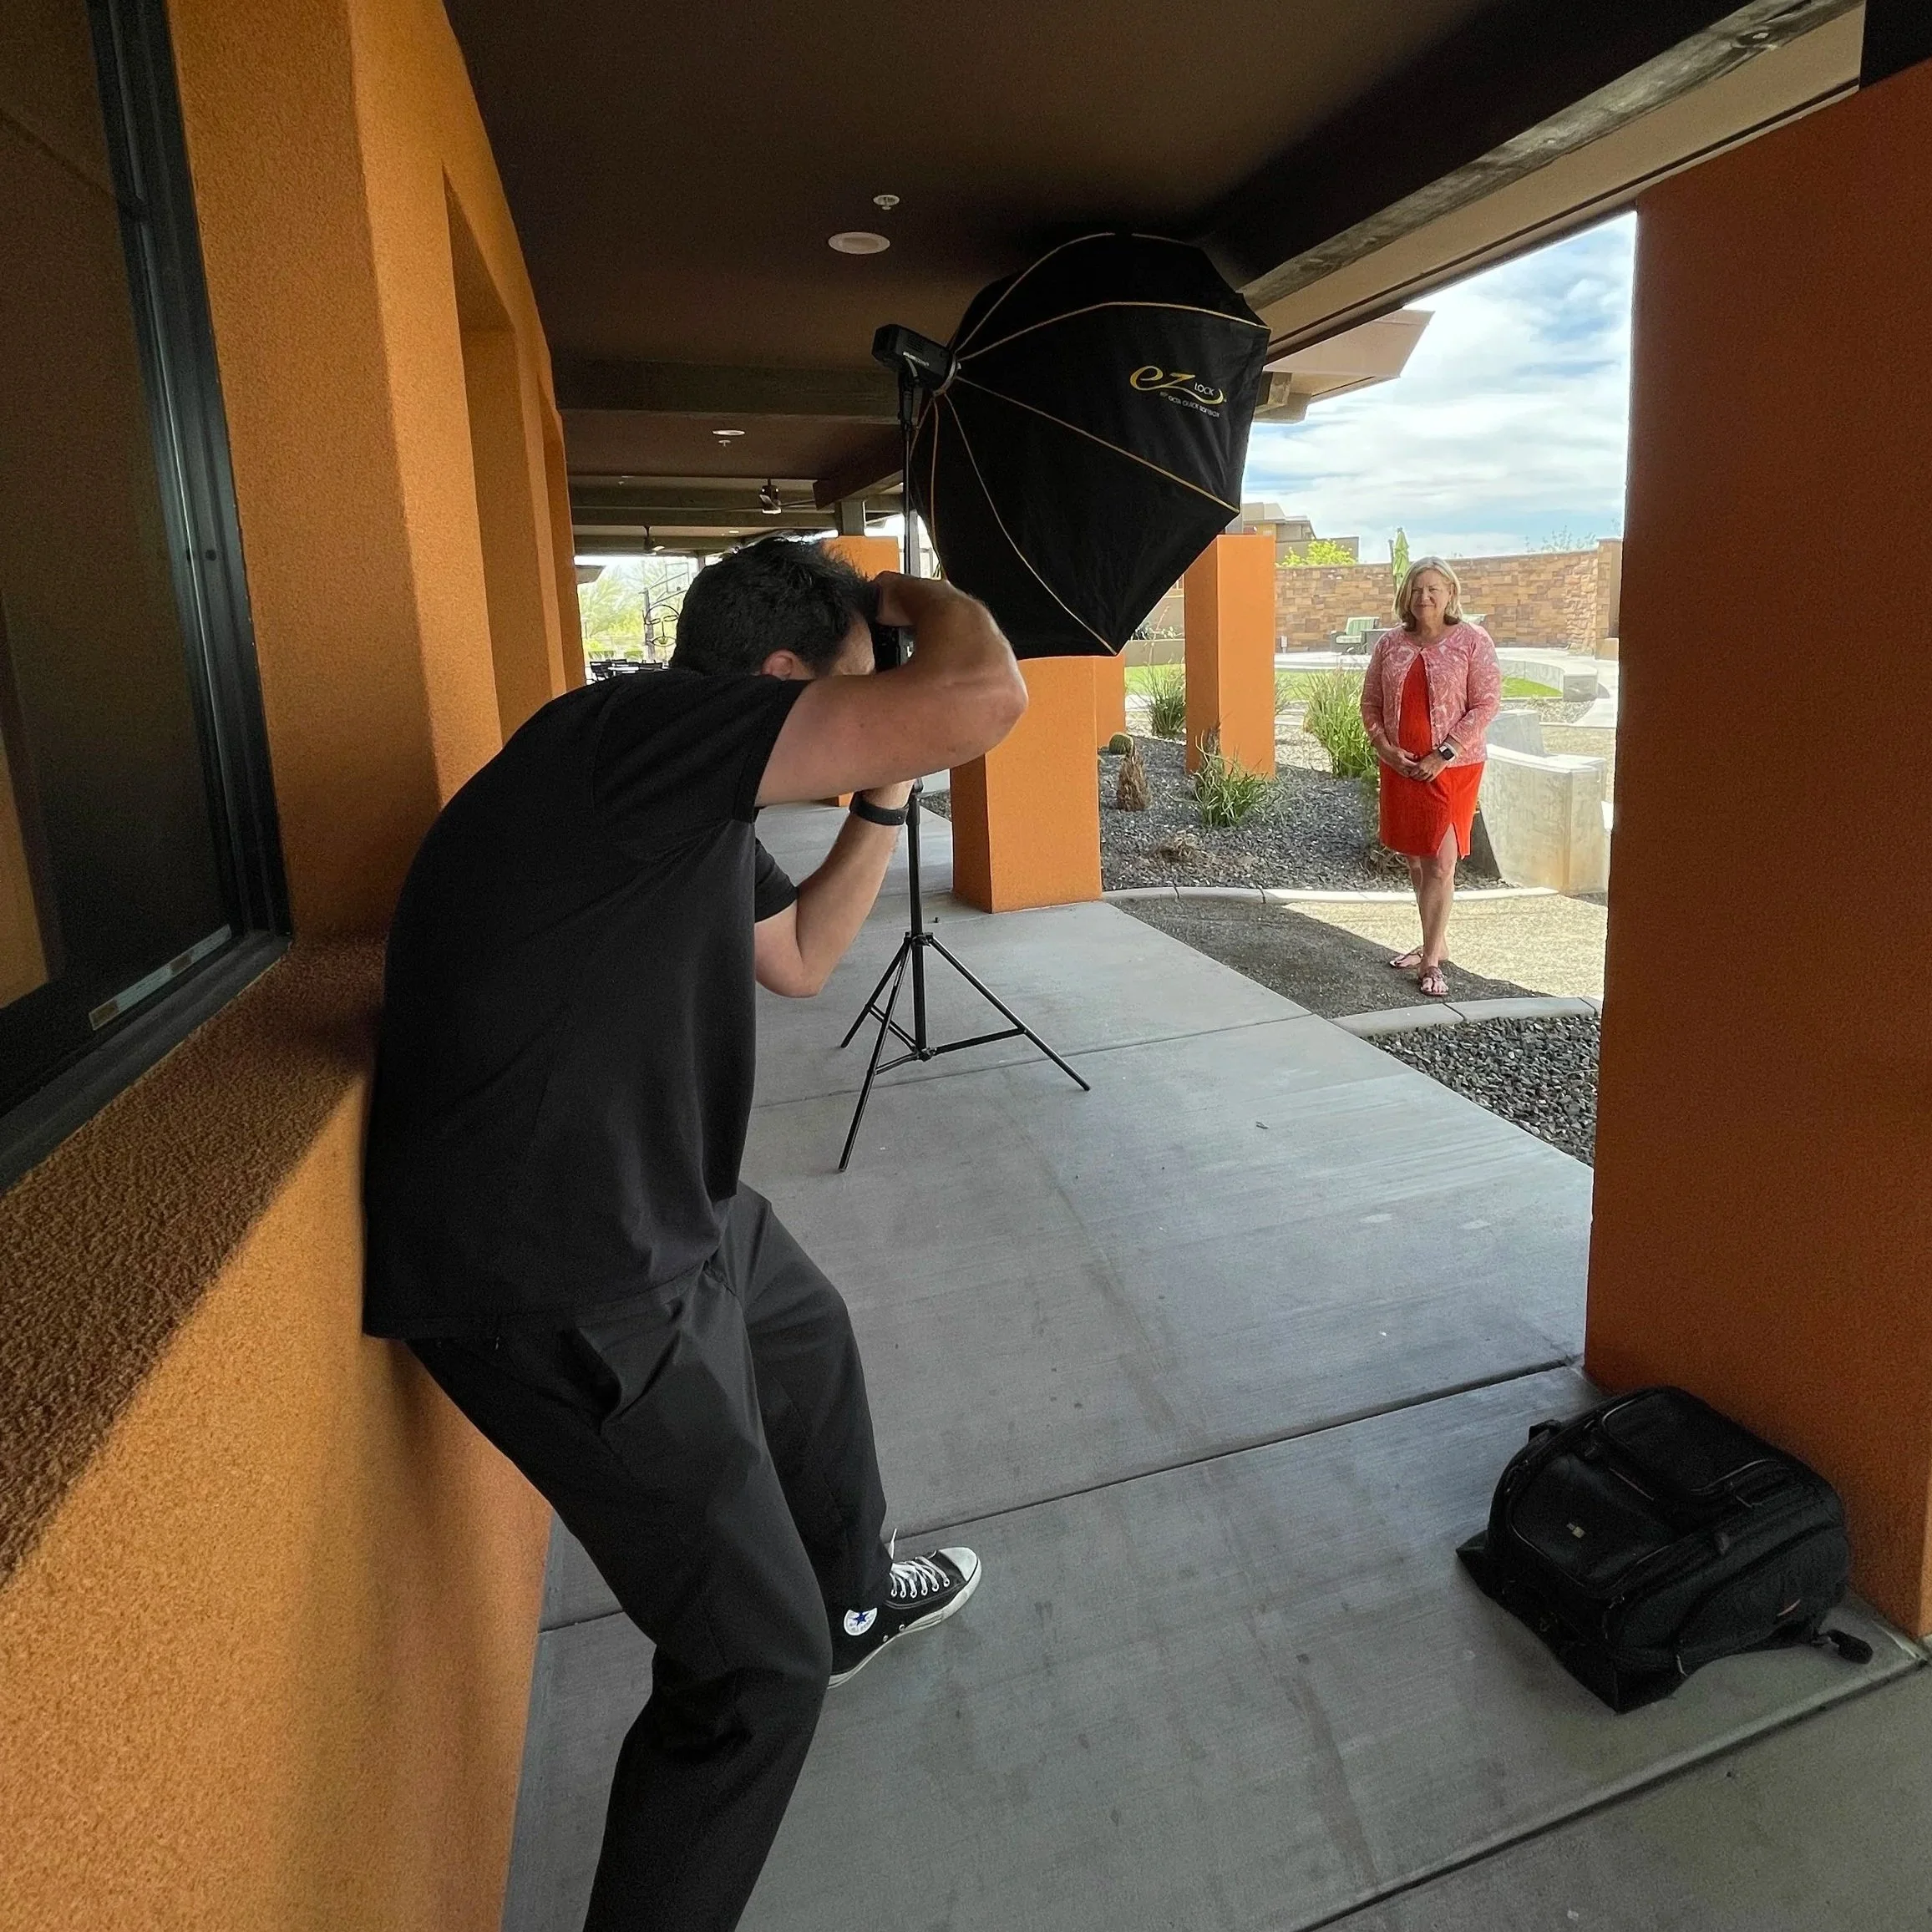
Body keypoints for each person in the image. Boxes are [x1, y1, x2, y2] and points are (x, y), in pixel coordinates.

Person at [361, 536, 1027, 1932]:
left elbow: (797, 962)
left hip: (662, 1204)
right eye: (857, 687)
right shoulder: (634, 738)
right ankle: (803, 1642)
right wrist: (902, 599)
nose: (879, 702)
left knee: (806, 1338)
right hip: (556, 1274)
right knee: (747, 1671)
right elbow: (984, 697)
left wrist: (881, 798)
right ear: (779, 679)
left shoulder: (674, 803)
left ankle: (850, 1603)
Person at [1359, 558, 1501, 998]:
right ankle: (1431, 942)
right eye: (1417, 589)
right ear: (1407, 595)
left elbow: (1486, 703)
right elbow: (1370, 706)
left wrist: (1444, 753)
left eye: (1434, 589)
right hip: (1401, 768)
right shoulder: (1390, 645)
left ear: (1450, 594)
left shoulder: (1472, 641)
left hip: (1453, 769)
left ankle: (1433, 962)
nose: (1425, 597)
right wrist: (1385, 748)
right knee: (1417, 859)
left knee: (1442, 860)